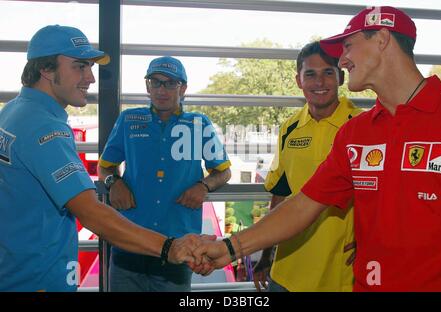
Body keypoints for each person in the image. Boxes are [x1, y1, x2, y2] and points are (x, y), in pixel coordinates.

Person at [194, 6, 441, 291]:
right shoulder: (355, 134)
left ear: (382, 39)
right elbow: (303, 204)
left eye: (348, 46)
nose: (342, 60)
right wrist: (230, 248)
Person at [0, 25, 210, 292]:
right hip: (37, 278)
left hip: (17, 268)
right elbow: (91, 212)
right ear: (46, 69)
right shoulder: (44, 127)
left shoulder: (13, 112)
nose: (91, 78)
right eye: (79, 66)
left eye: (90, 67)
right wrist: (170, 247)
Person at [97, 56, 231, 292]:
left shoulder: (199, 124)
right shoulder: (129, 120)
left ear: (183, 88)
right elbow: (105, 166)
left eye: (170, 83)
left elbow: (223, 172)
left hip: (179, 249)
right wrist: (113, 182)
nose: (162, 89)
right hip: (129, 247)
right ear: (147, 86)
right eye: (156, 82)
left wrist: (203, 186)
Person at [252, 41, 360, 292]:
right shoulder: (288, 128)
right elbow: (280, 193)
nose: (319, 83)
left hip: (341, 273)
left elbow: (383, 195)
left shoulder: (362, 126)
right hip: (287, 273)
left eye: (328, 73)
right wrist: (266, 256)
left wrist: (370, 242)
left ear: (341, 77)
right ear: (299, 80)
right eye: (310, 74)